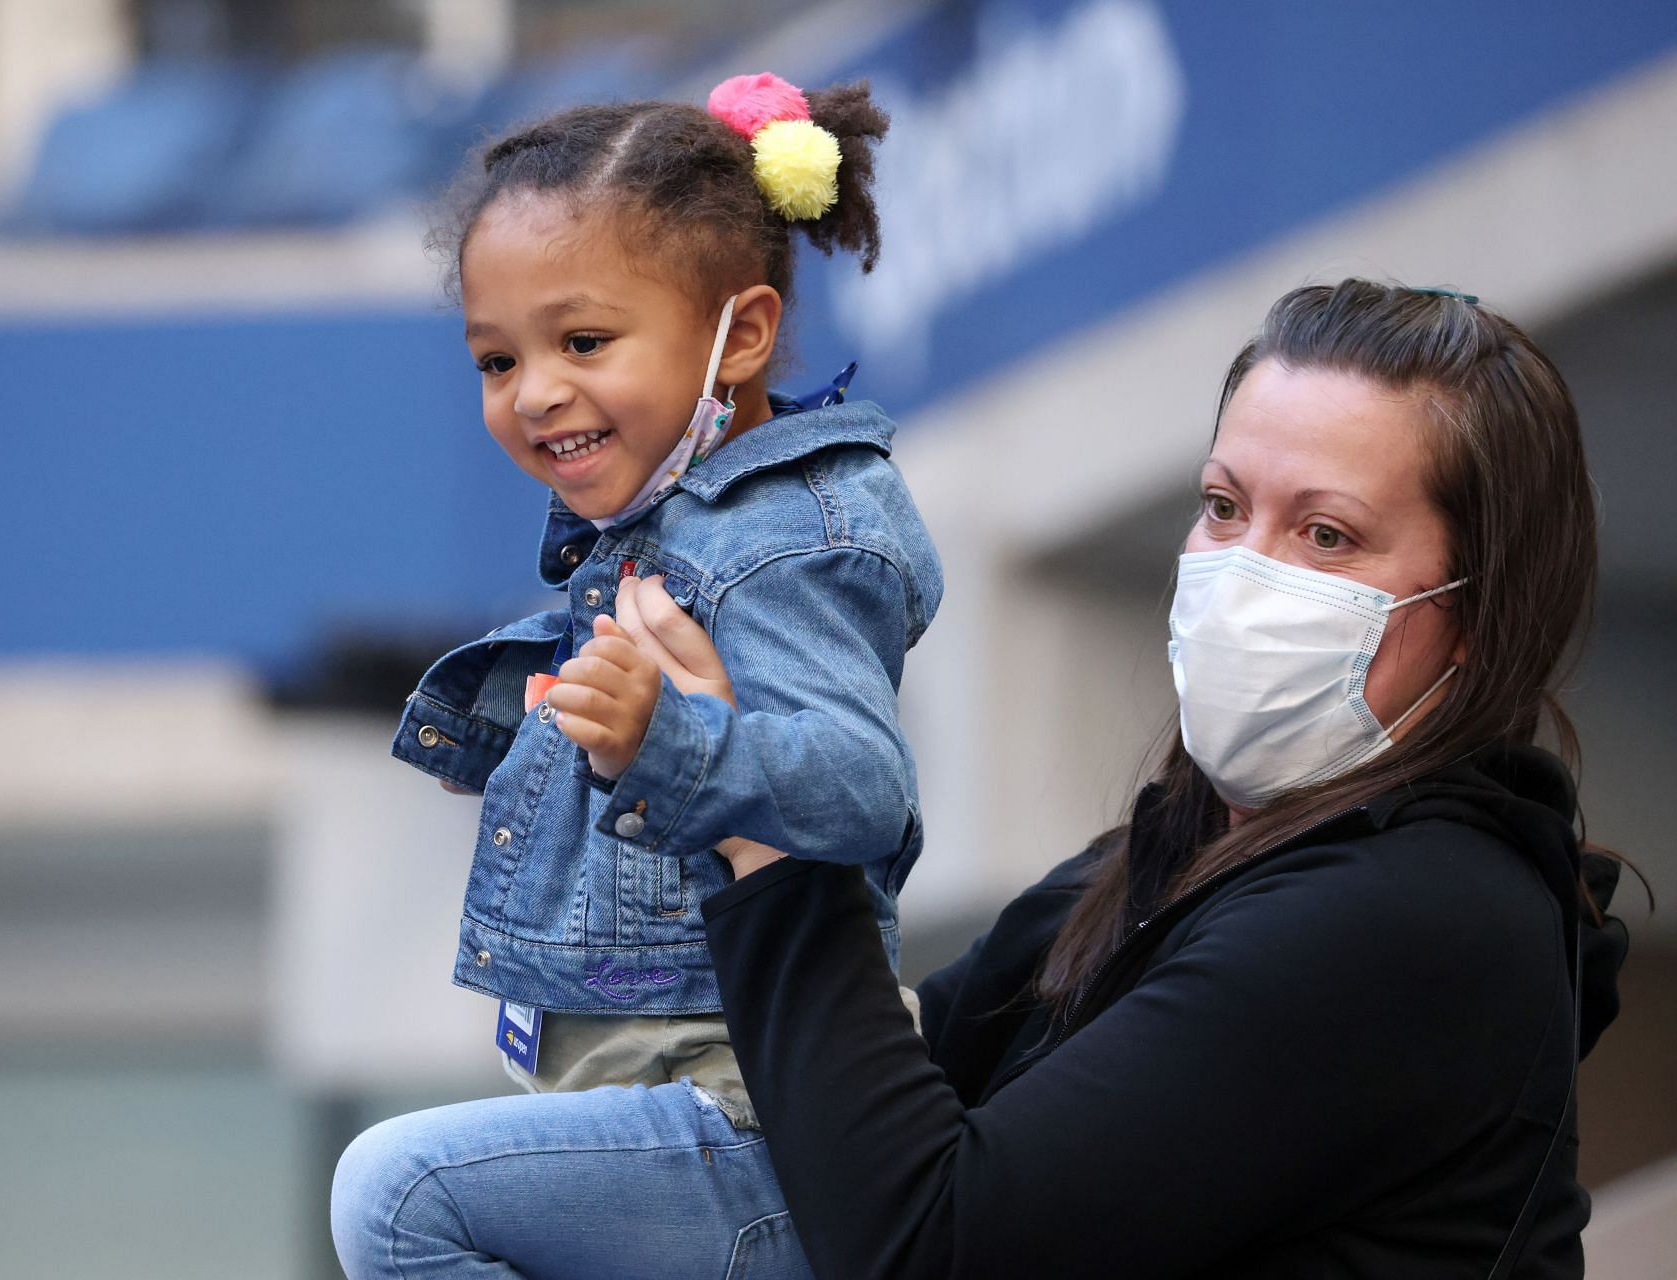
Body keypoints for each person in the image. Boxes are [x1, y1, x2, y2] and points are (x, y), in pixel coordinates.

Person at [682, 280, 1631, 1278]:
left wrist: (771, 813)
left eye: (1326, 534)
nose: (1242, 571)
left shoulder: (1415, 913)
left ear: (1478, 615)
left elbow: (933, 1242)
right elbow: (848, 1129)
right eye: (1224, 506)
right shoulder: (1157, 862)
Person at [332, 75, 940, 1278]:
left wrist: (671, 739)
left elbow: (862, 787)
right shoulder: (655, 539)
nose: (536, 391)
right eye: (496, 360)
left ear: (744, 334)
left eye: (584, 341)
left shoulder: (783, 539)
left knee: (395, 1195)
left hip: (749, 1122)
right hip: (661, 1106)